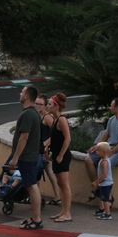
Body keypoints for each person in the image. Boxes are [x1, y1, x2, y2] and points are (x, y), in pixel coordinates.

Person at [84, 98, 118, 202]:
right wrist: (97, 147)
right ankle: (96, 189)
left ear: (117, 108)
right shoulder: (111, 120)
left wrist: (110, 153)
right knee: (88, 160)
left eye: (111, 106)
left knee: (104, 164)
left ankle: (108, 198)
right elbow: (105, 135)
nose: (109, 108)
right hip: (108, 148)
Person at [9, 85, 42, 230]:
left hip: (27, 157)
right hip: (30, 156)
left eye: (22, 92)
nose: (20, 93)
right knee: (31, 186)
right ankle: (35, 217)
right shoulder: (32, 113)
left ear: (27, 96)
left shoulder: (28, 114)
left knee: (32, 187)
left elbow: (24, 137)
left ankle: (37, 219)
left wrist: (15, 157)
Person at [47, 93, 73, 223]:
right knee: (60, 184)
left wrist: (61, 154)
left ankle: (67, 213)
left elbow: (67, 138)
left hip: (62, 156)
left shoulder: (62, 120)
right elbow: (55, 138)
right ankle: (63, 211)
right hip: (56, 155)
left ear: (56, 107)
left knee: (64, 185)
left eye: (50, 104)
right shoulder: (55, 120)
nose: (48, 106)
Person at [36, 94, 61, 205]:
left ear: (45, 105)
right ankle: (36, 196)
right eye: (36, 104)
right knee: (38, 172)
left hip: (45, 149)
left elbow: (55, 133)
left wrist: (46, 144)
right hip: (37, 148)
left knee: (49, 172)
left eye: (41, 104)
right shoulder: (36, 115)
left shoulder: (47, 117)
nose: (38, 106)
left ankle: (57, 196)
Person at [91, 142, 114, 220]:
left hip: (106, 184)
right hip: (102, 184)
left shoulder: (104, 162)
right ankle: (102, 209)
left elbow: (104, 175)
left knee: (105, 199)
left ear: (104, 152)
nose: (96, 152)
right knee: (97, 194)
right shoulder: (103, 160)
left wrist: (96, 182)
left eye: (98, 151)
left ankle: (108, 214)